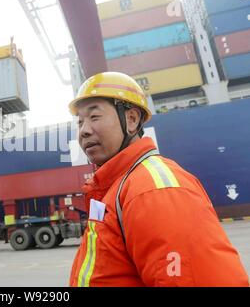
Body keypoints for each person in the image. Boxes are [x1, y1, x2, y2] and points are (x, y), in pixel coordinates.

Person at [68, 72, 249, 287]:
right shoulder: (117, 189)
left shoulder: (153, 189)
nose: (84, 131)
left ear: (132, 119)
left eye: (94, 117)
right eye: (80, 122)